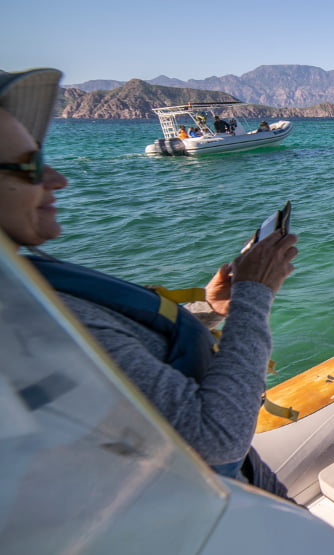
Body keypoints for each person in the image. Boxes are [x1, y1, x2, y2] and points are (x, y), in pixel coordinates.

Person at [0, 68, 299, 497]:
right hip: (216, 519)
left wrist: (208, 311)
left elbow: (125, 370)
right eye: (30, 167)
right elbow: (215, 440)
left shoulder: (28, 290)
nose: (58, 180)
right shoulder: (27, 324)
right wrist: (255, 295)